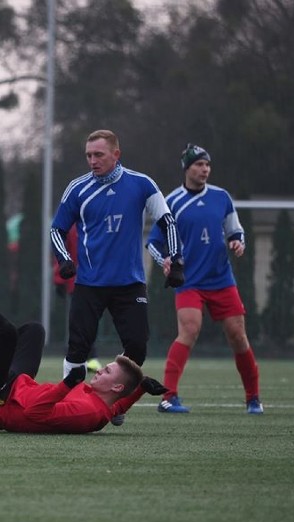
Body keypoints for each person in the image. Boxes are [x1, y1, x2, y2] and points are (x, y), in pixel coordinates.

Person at [0, 242, 168, 434]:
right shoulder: (103, 402)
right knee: (34, 331)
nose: (99, 370)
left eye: (107, 371)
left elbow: (34, 413)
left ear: (117, 386)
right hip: (16, 385)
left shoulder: (87, 413)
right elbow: (115, 408)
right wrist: (141, 389)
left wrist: (68, 383)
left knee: (5, 334)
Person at [50, 129, 184, 425]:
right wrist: (65, 260)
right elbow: (56, 229)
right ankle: (68, 403)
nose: (92, 161)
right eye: (88, 155)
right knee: (77, 347)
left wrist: (175, 260)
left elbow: (167, 221)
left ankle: (116, 402)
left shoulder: (141, 184)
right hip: (89, 283)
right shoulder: (77, 189)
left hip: (129, 283)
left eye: (98, 155)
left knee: (137, 346)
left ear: (116, 154)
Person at [146, 144, 263, 415]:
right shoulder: (172, 202)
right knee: (189, 330)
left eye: (207, 165)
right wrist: (163, 260)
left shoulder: (222, 197)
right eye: (199, 164)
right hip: (189, 281)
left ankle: (253, 398)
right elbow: (153, 242)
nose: (205, 169)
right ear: (187, 168)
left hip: (221, 279)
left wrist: (238, 243)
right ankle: (168, 397)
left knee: (238, 336)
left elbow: (236, 231)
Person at [52, 226, 102, 372]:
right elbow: (62, 251)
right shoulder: (73, 225)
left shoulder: (82, 223)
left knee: (84, 320)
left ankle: (86, 356)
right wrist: (59, 279)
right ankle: (87, 357)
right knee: (84, 320)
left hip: (91, 280)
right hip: (81, 281)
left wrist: (59, 280)